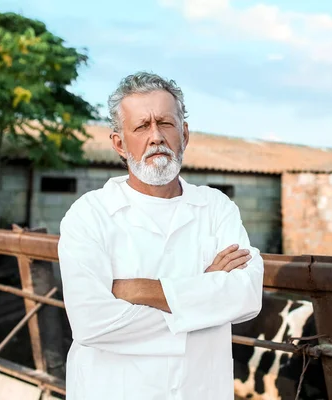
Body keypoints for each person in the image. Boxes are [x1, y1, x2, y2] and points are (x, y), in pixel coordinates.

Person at [57, 71, 264, 399]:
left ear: (183, 133)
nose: (156, 137)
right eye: (141, 126)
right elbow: (91, 322)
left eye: (165, 123)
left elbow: (248, 295)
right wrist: (204, 292)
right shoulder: (89, 216)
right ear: (119, 144)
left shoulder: (216, 208)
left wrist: (138, 290)